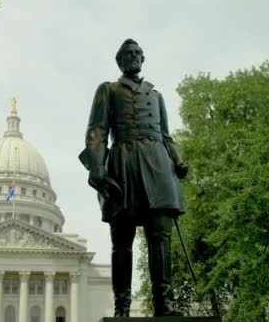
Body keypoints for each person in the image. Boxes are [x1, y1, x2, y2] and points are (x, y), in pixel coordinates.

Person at [79, 38, 188, 317]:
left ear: (143, 58)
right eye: (128, 53)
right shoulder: (108, 90)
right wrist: (97, 168)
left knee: (160, 235)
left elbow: (166, 135)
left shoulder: (157, 95)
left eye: (138, 52)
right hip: (124, 163)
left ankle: (164, 302)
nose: (134, 56)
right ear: (120, 60)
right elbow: (97, 131)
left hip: (158, 164)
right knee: (122, 237)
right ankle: (122, 307)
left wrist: (178, 160)